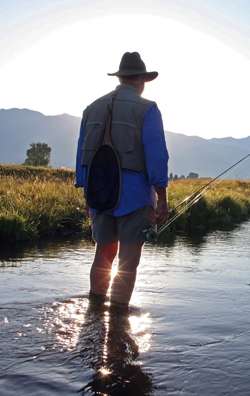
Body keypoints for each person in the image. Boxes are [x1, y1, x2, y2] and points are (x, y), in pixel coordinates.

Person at [75, 52, 169, 313]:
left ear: (119, 77)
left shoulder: (91, 108)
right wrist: (162, 199)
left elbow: (81, 156)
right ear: (142, 80)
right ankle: (117, 323)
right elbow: (157, 157)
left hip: (99, 194)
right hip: (134, 196)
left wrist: (87, 198)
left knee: (103, 254)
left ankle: (93, 314)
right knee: (128, 260)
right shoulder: (148, 108)